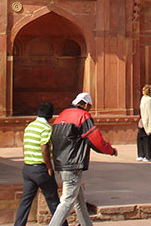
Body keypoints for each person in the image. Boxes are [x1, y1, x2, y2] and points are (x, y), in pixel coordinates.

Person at [47, 93, 117, 226]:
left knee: (79, 199)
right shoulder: (82, 116)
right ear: (85, 104)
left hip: (61, 163)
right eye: (89, 106)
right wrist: (111, 150)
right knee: (67, 201)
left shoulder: (61, 115)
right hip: (73, 163)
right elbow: (96, 140)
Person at [13, 101, 63, 226]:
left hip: (28, 167)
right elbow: (44, 148)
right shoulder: (45, 128)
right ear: (51, 114)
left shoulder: (30, 126)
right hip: (40, 169)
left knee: (25, 201)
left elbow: (25, 146)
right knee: (53, 200)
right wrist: (49, 167)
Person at [137, 84, 151, 162]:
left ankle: (148, 156)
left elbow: (150, 112)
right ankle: (141, 154)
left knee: (147, 139)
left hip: (147, 121)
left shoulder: (149, 99)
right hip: (142, 121)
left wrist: (149, 123)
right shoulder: (143, 98)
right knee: (140, 138)